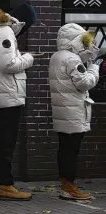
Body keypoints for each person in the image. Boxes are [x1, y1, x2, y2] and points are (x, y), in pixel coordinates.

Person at [0, 7, 34, 200]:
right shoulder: (4, 31)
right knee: (5, 143)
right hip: (8, 93)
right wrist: (28, 58)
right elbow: (8, 64)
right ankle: (4, 184)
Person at [49, 23, 99, 200]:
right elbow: (84, 83)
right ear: (76, 40)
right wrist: (94, 67)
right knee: (71, 150)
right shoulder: (72, 59)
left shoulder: (58, 56)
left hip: (64, 111)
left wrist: (85, 59)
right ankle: (69, 188)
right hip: (73, 111)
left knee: (65, 149)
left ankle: (66, 184)